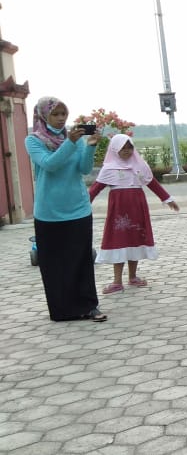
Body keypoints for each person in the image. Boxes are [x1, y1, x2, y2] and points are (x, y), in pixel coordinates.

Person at [24, 96, 107, 322]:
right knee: (55, 264)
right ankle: (63, 310)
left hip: (78, 208)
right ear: (44, 116)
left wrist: (90, 146)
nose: (61, 119)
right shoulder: (33, 140)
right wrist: (70, 143)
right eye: (55, 114)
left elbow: (84, 169)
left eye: (64, 114)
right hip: (49, 212)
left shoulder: (74, 138)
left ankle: (90, 306)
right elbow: (49, 165)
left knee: (81, 260)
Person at [89, 134, 180, 294]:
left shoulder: (140, 166)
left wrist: (168, 199)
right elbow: (95, 189)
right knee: (118, 242)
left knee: (135, 240)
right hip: (118, 212)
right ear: (114, 149)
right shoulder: (109, 168)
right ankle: (117, 281)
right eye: (122, 148)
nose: (126, 151)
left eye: (129, 147)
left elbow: (152, 184)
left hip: (137, 209)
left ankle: (133, 277)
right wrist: (82, 205)